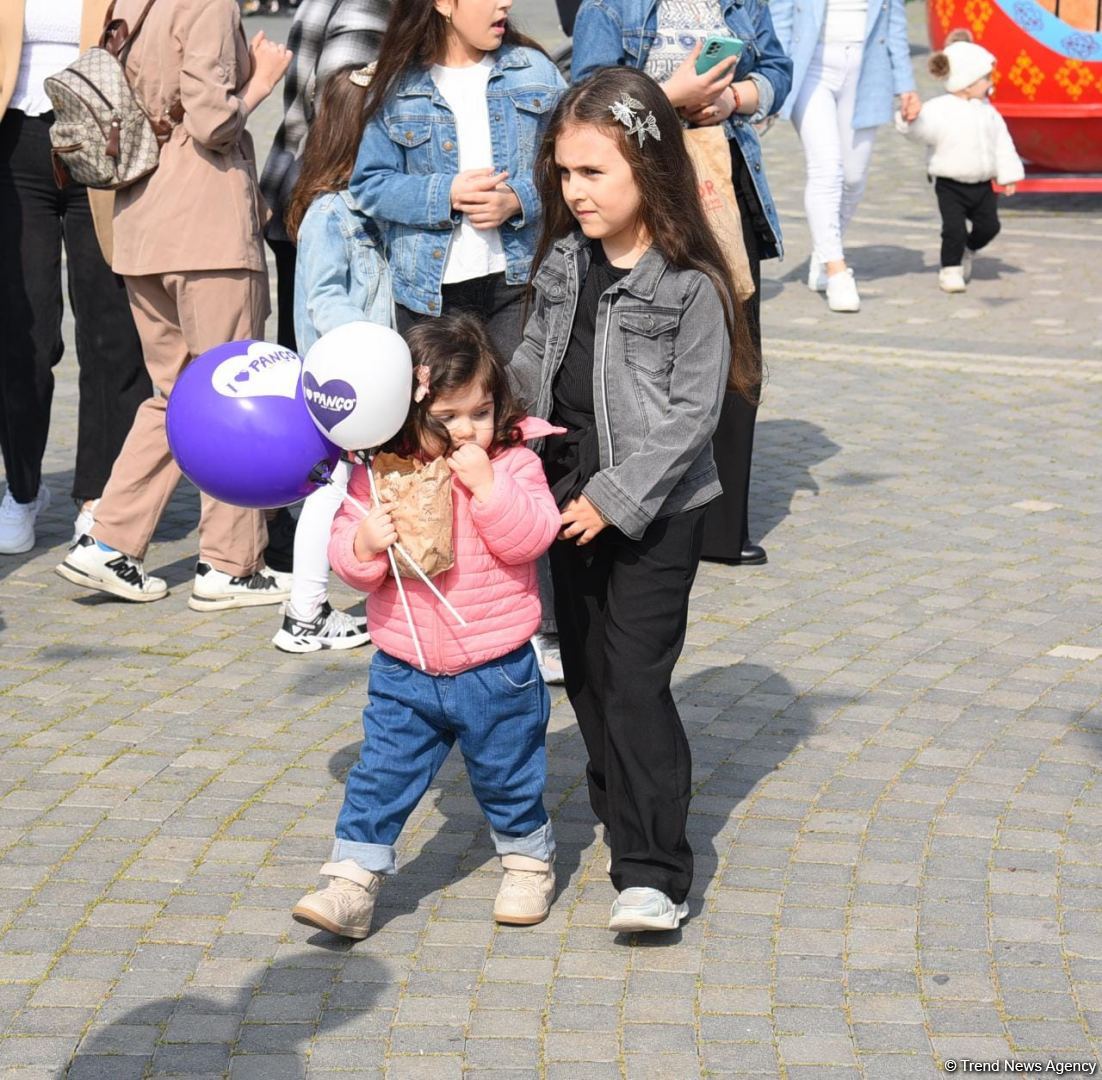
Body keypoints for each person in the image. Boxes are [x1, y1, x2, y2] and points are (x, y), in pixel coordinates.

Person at [509, 68, 756, 932]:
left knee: (635, 683)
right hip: (563, 494)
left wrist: (614, 499)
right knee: (586, 673)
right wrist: (486, 427)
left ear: (647, 170)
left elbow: (691, 417)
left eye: (593, 174)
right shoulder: (563, 264)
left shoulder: (691, 282)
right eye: (564, 173)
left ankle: (654, 870)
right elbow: (530, 364)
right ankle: (621, 819)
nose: (573, 192)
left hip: (655, 507)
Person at [291, 313, 562, 939]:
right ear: (411, 413)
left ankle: (527, 861)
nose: (469, 429)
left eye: (482, 411)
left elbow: (533, 538)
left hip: (495, 666)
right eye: (449, 418)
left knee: (508, 772)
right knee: (381, 772)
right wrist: (363, 544)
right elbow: (349, 563)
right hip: (403, 665)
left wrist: (488, 488)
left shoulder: (513, 464)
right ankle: (352, 883)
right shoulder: (379, 472)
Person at [55, 0, 294, 608]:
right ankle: (231, 564)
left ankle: (108, 541)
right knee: (232, 393)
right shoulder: (208, 2)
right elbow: (214, 122)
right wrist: (261, 81)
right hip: (206, 224)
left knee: (174, 394)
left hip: (144, 220)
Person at [571, 0, 792, 568]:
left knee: (737, 352)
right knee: (649, 357)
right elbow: (586, 100)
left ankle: (724, 529)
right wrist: (671, 95)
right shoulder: (609, 6)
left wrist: (733, 99)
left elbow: (779, 71)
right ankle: (643, 508)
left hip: (724, 176)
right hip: (649, 187)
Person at [0, 0, 151, 555]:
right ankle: (21, 489)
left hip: (102, 141)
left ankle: (100, 496)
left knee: (111, 331)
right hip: (15, 145)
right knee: (25, 334)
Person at [349, 0, 565, 363]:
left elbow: (570, 166)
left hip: (519, 284)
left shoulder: (535, 71)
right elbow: (370, 185)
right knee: (439, 412)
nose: (505, 3)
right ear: (444, 4)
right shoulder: (396, 86)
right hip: (428, 296)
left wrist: (518, 199)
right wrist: (446, 192)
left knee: (515, 407)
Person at [271, 64, 392, 653]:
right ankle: (304, 612)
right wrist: (377, 357)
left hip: (367, 379)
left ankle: (320, 605)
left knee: (345, 486)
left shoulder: (368, 208)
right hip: (349, 382)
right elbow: (324, 299)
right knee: (331, 487)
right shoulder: (330, 215)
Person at [259, 0, 391, 353]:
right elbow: (345, 108)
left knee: (300, 344)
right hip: (333, 195)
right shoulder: (366, 7)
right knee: (328, 356)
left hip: (293, 183)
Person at [770, 0, 919, 312]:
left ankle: (824, 253)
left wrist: (906, 85)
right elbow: (780, 17)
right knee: (827, 168)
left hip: (867, 73)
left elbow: (894, 24)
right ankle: (837, 270)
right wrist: (776, 80)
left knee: (853, 177)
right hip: (811, 69)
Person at [895, 40, 1022, 294]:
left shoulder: (988, 112)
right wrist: (910, 119)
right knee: (953, 229)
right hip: (949, 183)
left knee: (990, 226)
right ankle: (950, 268)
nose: (990, 84)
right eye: (985, 78)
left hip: (982, 183)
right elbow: (922, 131)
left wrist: (1007, 175)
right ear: (967, 81)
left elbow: (1002, 143)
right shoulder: (940, 109)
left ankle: (968, 249)